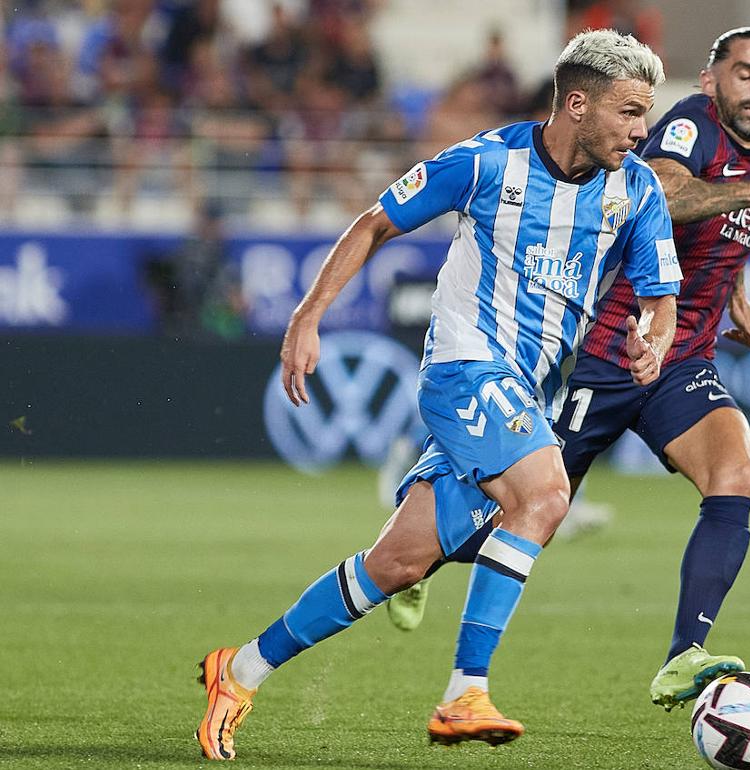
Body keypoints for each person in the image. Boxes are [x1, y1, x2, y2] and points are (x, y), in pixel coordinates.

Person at [195, 29, 678, 760]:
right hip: (464, 369)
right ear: (577, 103)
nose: (643, 130)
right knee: (545, 494)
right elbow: (375, 222)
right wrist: (307, 314)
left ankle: (238, 671)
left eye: (647, 113)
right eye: (630, 112)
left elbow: (659, 297)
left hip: (529, 389)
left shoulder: (635, 189)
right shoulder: (487, 162)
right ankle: (464, 692)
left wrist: (653, 338)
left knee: (396, 565)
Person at [392, 27, 750, 712]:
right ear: (712, 80)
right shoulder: (687, 128)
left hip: (681, 358)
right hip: (610, 353)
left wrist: (738, 299)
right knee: (524, 502)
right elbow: (667, 196)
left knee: (735, 473)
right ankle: (417, 554)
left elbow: (721, 242)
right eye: (743, 73)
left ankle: (684, 654)